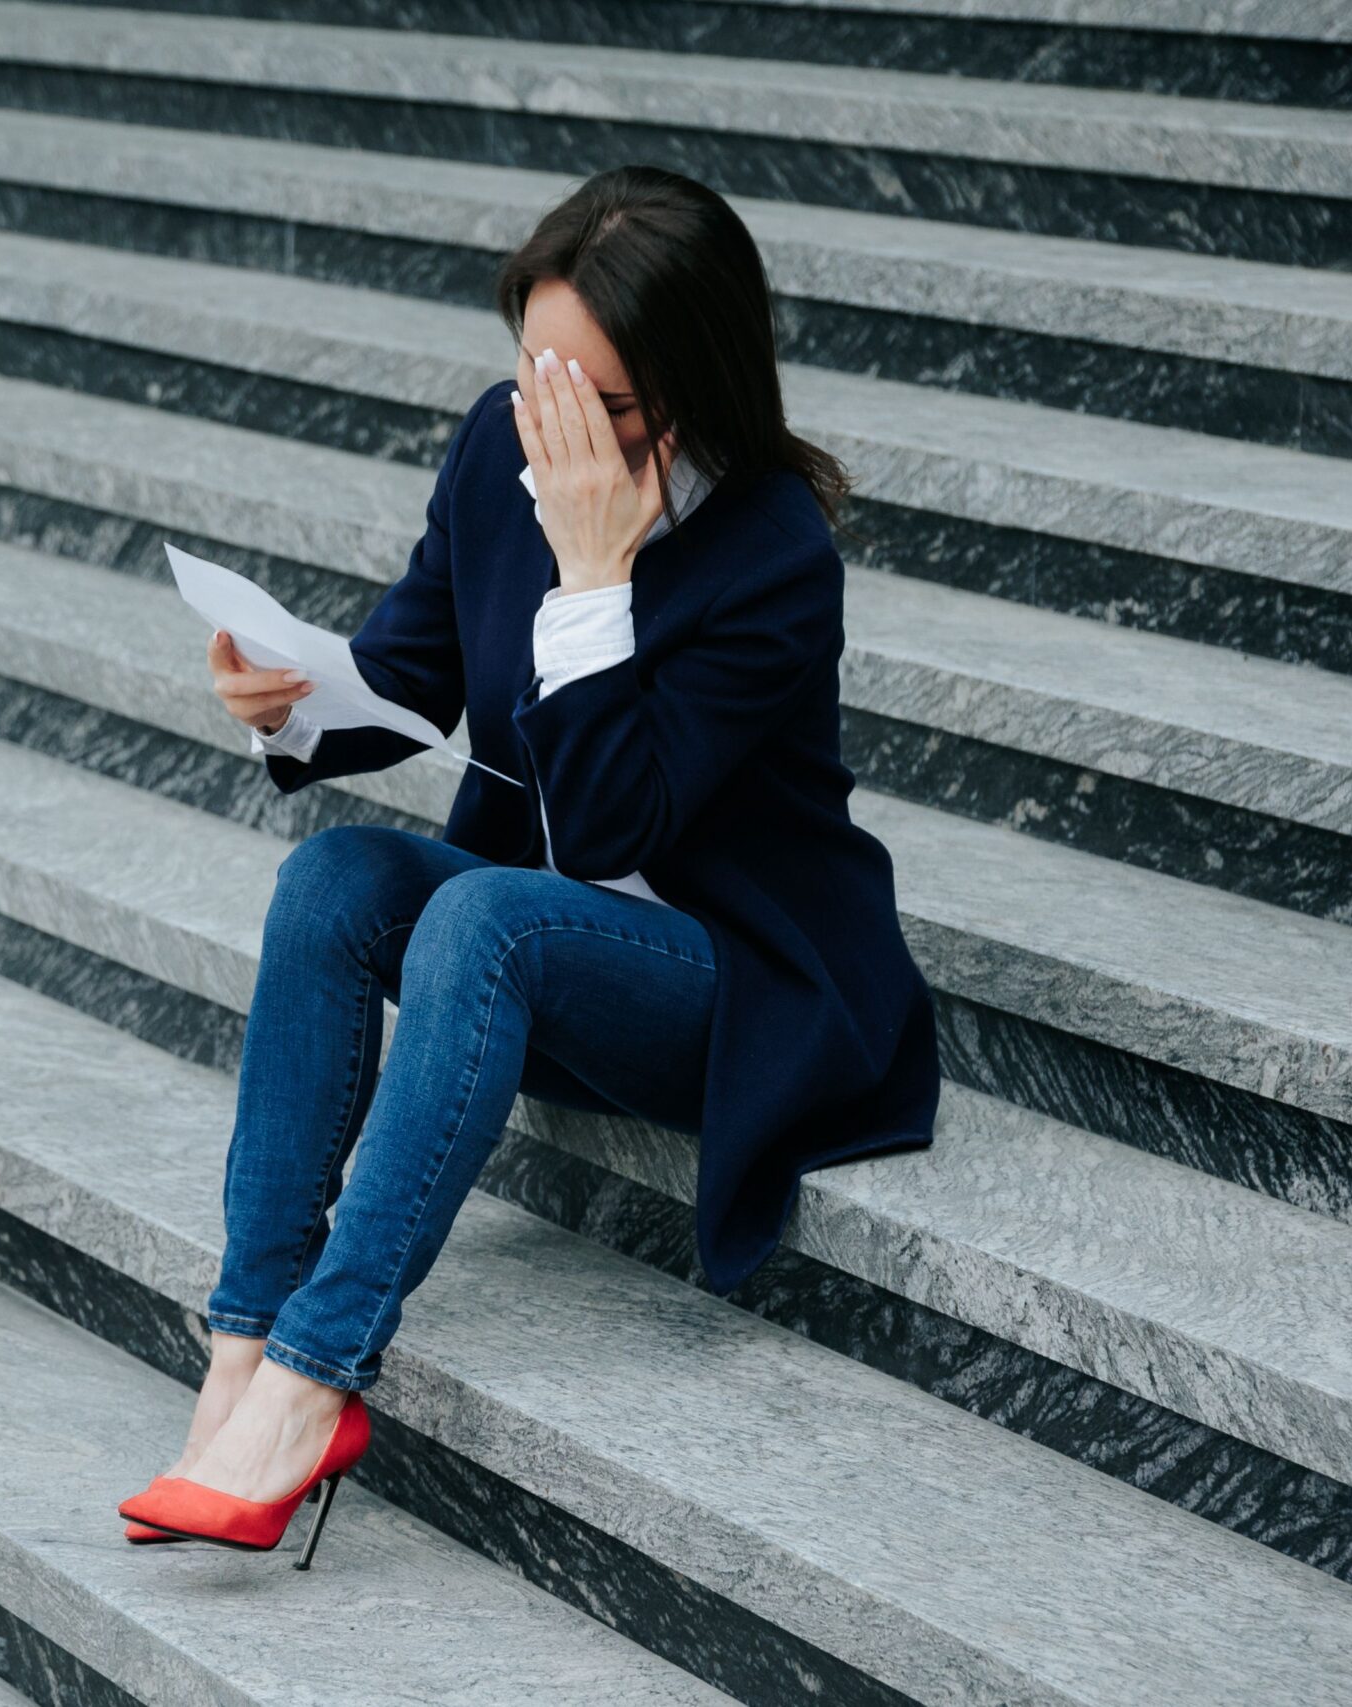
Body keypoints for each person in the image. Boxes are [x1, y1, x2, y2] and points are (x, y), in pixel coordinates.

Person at [116, 165, 940, 1563]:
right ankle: (240, 1354)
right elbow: (409, 674)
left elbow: (614, 828)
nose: (550, 428)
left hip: (730, 980)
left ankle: (316, 1382)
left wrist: (595, 576)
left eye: (597, 403)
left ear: (689, 388)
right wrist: (290, 701)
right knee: (335, 882)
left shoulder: (774, 553)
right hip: (530, 958)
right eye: (534, 381)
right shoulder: (496, 451)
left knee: (485, 915)